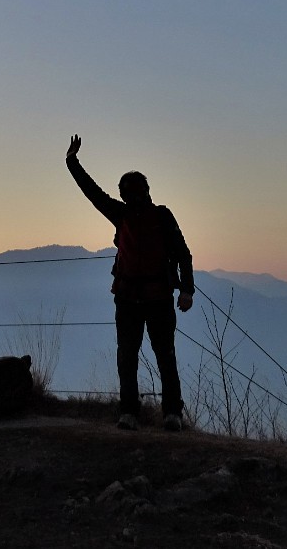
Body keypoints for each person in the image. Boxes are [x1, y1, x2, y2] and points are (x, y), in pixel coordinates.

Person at [65, 133, 194, 431]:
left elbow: (92, 192)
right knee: (163, 356)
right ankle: (170, 414)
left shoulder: (122, 214)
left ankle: (131, 413)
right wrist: (186, 290)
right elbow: (183, 254)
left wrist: (72, 161)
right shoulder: (161, 216)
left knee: (129, 357)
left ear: (124, 193)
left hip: (130, 298)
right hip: (155, 298)